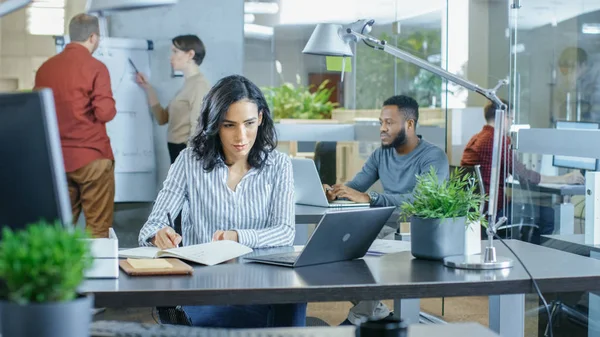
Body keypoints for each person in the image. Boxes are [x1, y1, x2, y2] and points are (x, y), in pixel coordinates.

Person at [138, 74, 306, 328]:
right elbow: (150, 227)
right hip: (206, 286)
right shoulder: (189, 161)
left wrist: (237, 237)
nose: (241, 136)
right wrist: (158, 235)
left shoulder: (279, 164)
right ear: (215, 124)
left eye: (249, 123)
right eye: (229, 125)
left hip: (262, 283)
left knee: (293, 298)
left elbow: (284, 232)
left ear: (260, 118)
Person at [324, 95, 450, 326]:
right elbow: (357, 185)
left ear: (409, 124)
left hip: (418, 229)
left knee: (364, 256)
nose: (382, 129)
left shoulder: (433, 157)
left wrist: (371, 197)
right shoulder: (381, 154)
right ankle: (375, 311)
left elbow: (422, 201)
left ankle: (360, 317)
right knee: (329, 248)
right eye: (381, 122)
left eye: (389, 123)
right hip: (386, 224)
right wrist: (336, 191)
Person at [34, 14, 116, 238]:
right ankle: (97, 273)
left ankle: (59, 273)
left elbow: (38, 114)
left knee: (60, 228)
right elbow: (105, 112)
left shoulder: (45, 69)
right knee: (98, 229)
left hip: (57, 161)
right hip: (92, 158)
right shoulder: (96, 68)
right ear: (93, 37)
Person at [461, 98, 584, 241]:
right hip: (495, 210)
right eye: (511, 118)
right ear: (503, 117)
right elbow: (523, 175)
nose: (512, 122)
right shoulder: (498, 139)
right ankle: (533, 258)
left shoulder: (475, 138)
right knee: (548, 215)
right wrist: (564, 179)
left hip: (477, 210)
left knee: (530, 211)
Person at [136, 34, 211, 235]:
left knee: (182, 211)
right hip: (176, 153)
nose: (171, 57)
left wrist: (188, 162)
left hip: (185, 154)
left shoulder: (200, 85)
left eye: (175, 52)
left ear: (190, 54)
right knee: (176, 210)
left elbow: (199, 128)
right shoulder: (187, 85)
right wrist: (147, 88)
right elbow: (162, 117)